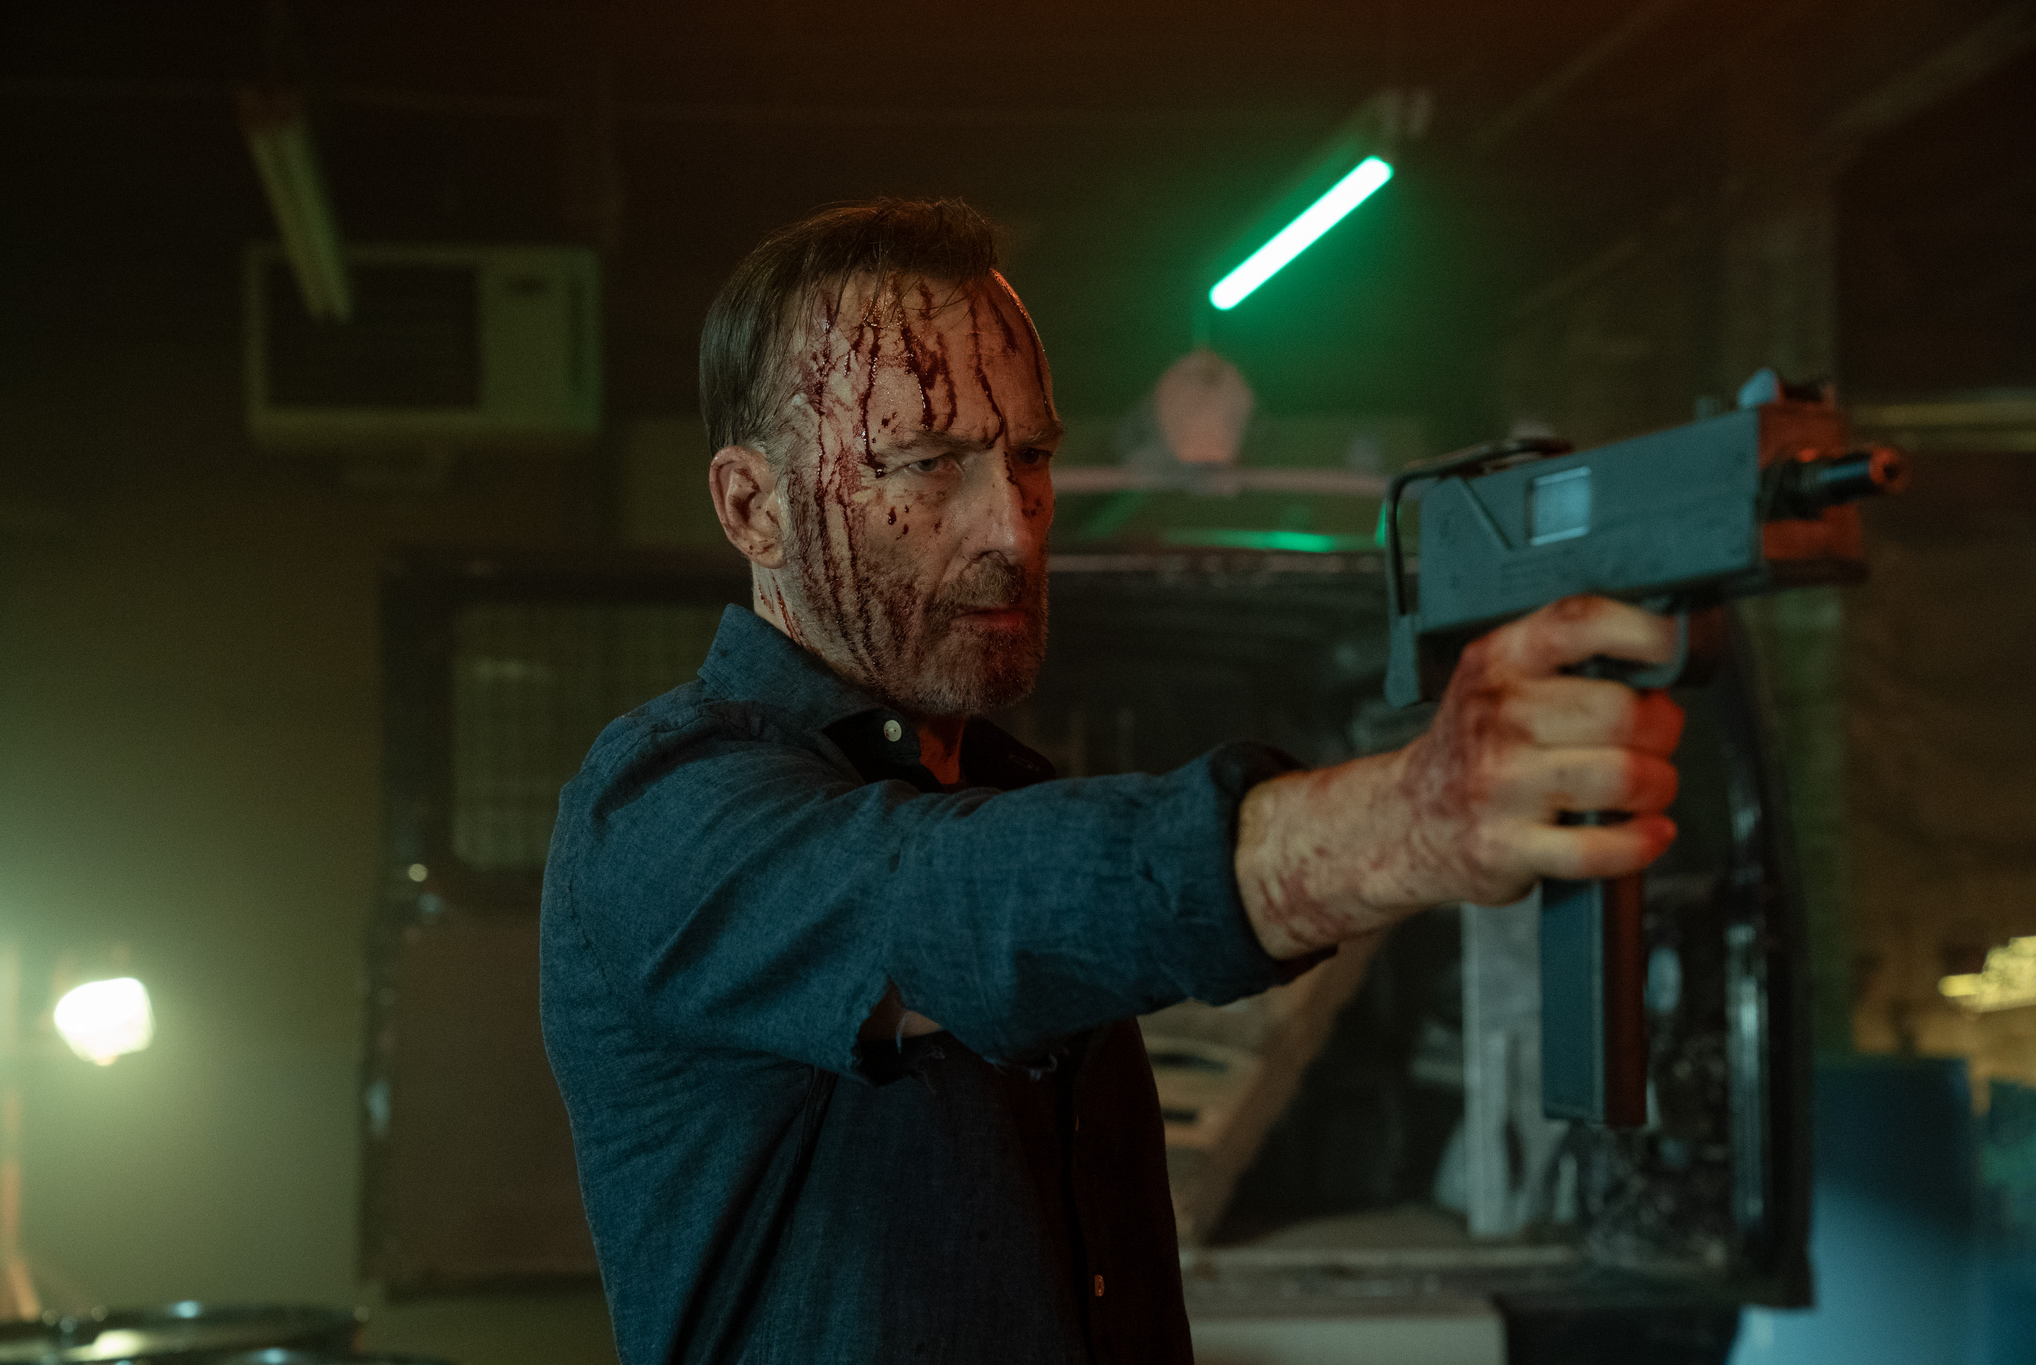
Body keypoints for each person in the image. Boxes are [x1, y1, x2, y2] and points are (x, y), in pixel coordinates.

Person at [539, 198, 1685, 1365]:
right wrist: (1406, 820)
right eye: (927, 464)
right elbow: (949, 906)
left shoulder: (991, 781)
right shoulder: (660, 814)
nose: (1012, 531)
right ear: (753, 507)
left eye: (1030, 457)